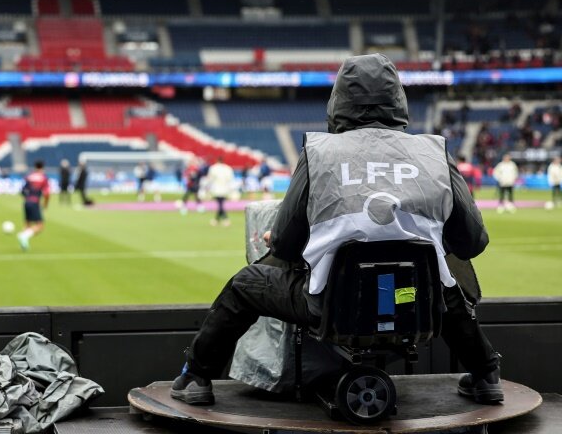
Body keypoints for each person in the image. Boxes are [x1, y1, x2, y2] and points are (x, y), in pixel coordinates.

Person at [171, 54, 502, 406]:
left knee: (244, 285)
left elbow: (284, 246)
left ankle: (196, 377)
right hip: (412, 302)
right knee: (442, 283)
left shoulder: (319, 152)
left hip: (331, 306)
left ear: (338, 100)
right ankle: (486, 375)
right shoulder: (436, 151)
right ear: (399, 98)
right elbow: (473, 242)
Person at [17, 160, 50, 251]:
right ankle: (23, 237)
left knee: (27, 224)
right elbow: (47, 193)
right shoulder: (43, 178)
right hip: (35, 202)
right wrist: (45, 204)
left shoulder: (29, 176)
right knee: (40, 226)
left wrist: (27, 198)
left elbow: (22, 190)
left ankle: (24, 245)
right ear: (42, 167)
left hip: (27, 202)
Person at [205, 156, 235, 227]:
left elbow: (210, 179)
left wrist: (207, 189)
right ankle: (216, 220)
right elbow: (230, 179)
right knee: (220, 204)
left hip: (217, 188)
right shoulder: (228, 168)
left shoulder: (213, 168)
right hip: (225, 188)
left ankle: (225, 219)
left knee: (220, 204)